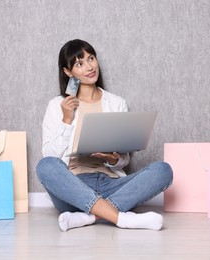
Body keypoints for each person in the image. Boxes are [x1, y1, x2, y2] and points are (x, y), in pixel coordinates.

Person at [36, 39, 173, 232]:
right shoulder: (56, 105)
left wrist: (113, 158)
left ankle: (88, 216)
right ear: (68, 72)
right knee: (45, 166)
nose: (89, 67)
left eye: (91, 58)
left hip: (112, 184)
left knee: (163, 171)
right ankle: (121, 218)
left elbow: (124, 159)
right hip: (74, 186)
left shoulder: (117, 103)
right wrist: (66, 120)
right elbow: (51, 157)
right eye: (79, 63)